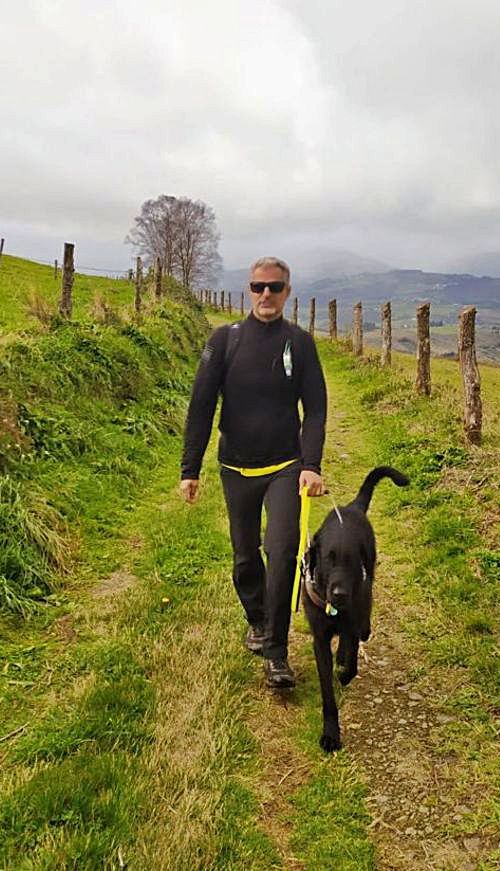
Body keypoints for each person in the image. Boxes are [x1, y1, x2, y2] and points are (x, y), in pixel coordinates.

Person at [180, 256, 327, 688]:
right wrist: (191, 468)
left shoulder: (299, 344)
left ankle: (277, 654)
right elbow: (201, 407)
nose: (266, 294)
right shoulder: (224, 340)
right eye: (259, 286)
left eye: (275, 287)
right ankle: (259, 619)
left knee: (280, 553)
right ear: (249, 290)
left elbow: (315, 409)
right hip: (235, 467)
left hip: (285, 466)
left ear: (287, 291)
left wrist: (311, 464)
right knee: (245, 557)